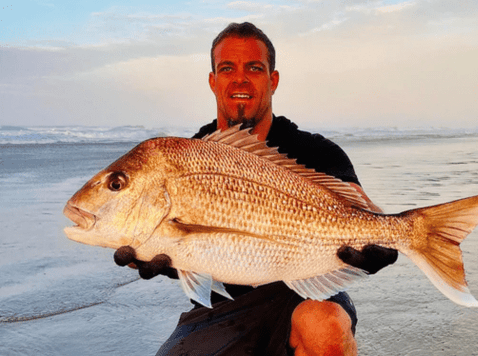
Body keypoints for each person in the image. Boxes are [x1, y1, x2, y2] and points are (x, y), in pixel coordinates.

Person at [114, 22, 398, 355]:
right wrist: (154, 258)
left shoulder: (316, 152)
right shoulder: (185, 157)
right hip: (220, 307)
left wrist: (388, 239)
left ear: (272, 79)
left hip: (308, 293)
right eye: (227, 68)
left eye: (254, 68)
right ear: (212, 80)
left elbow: (366, 212)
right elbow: (189, 250)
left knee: (323, 326)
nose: (240, 79)